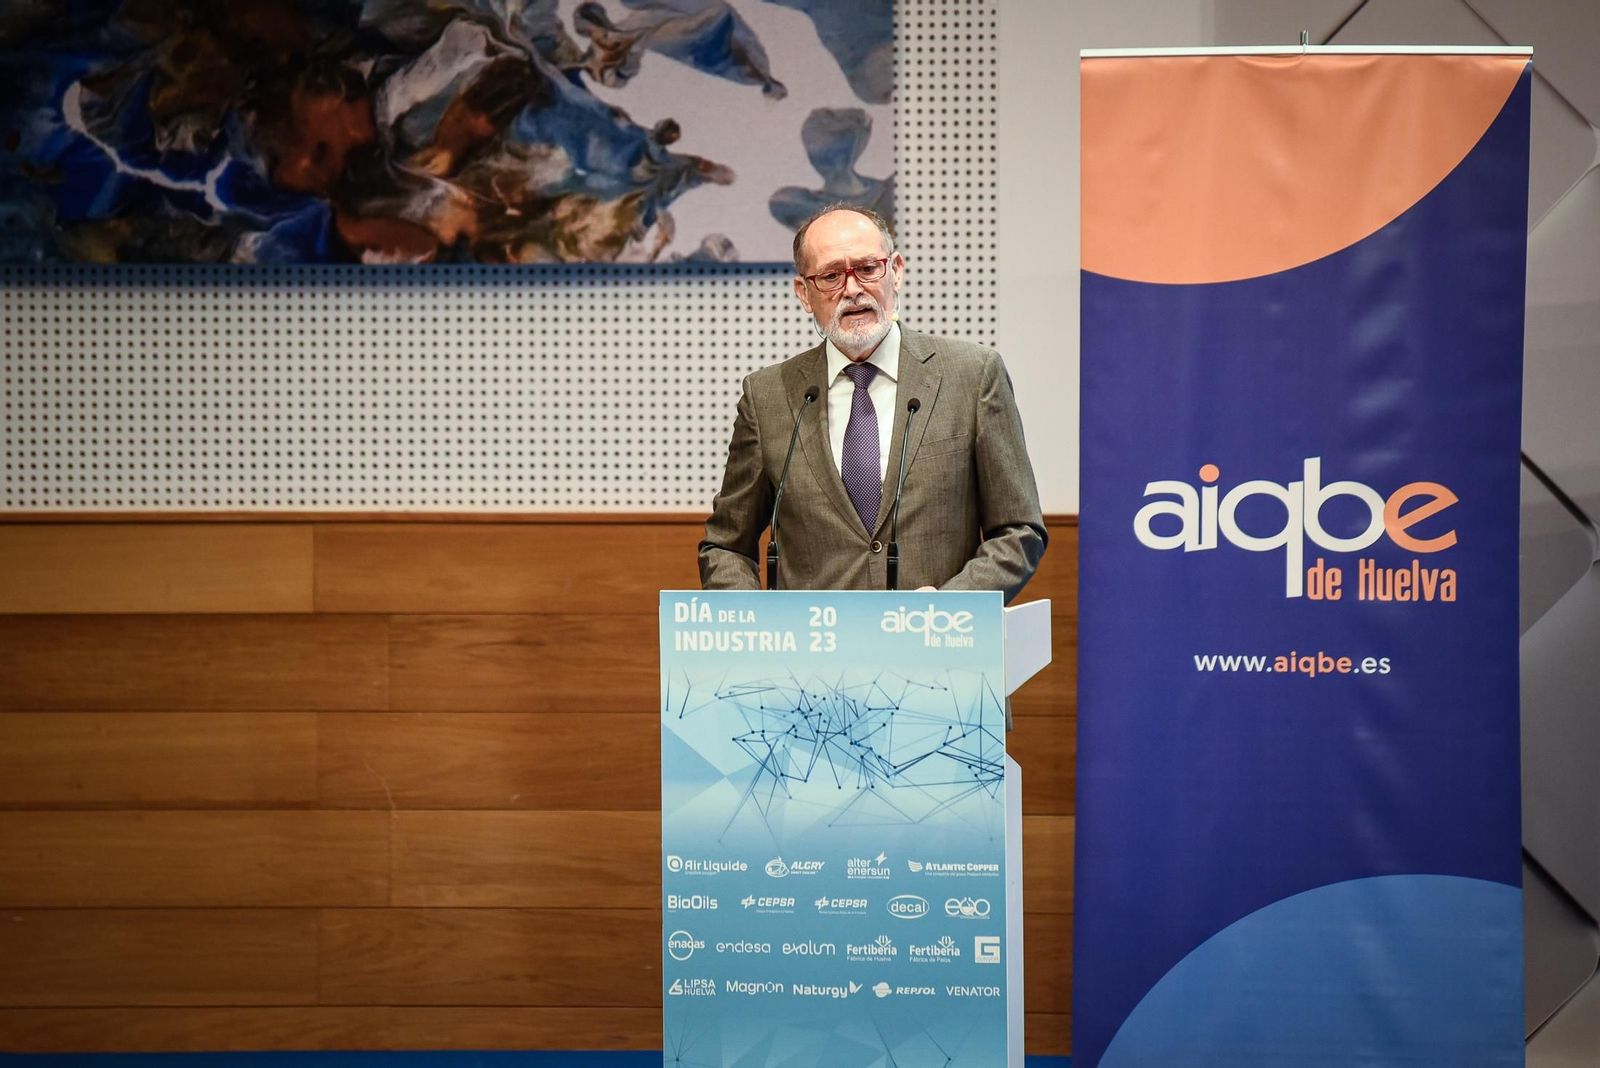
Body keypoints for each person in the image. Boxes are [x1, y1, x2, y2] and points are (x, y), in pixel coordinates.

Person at [699, 204, 1046, 600]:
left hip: (936, 650)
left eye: (867, 269)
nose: (852, 289)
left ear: (895, 271)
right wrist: (758, 624)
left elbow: (1019, 530)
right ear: (804, 294)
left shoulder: (972, 375)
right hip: (810, 656)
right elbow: (725, 545)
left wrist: (951, 606)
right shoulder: (769, 397)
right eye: (831, 276)